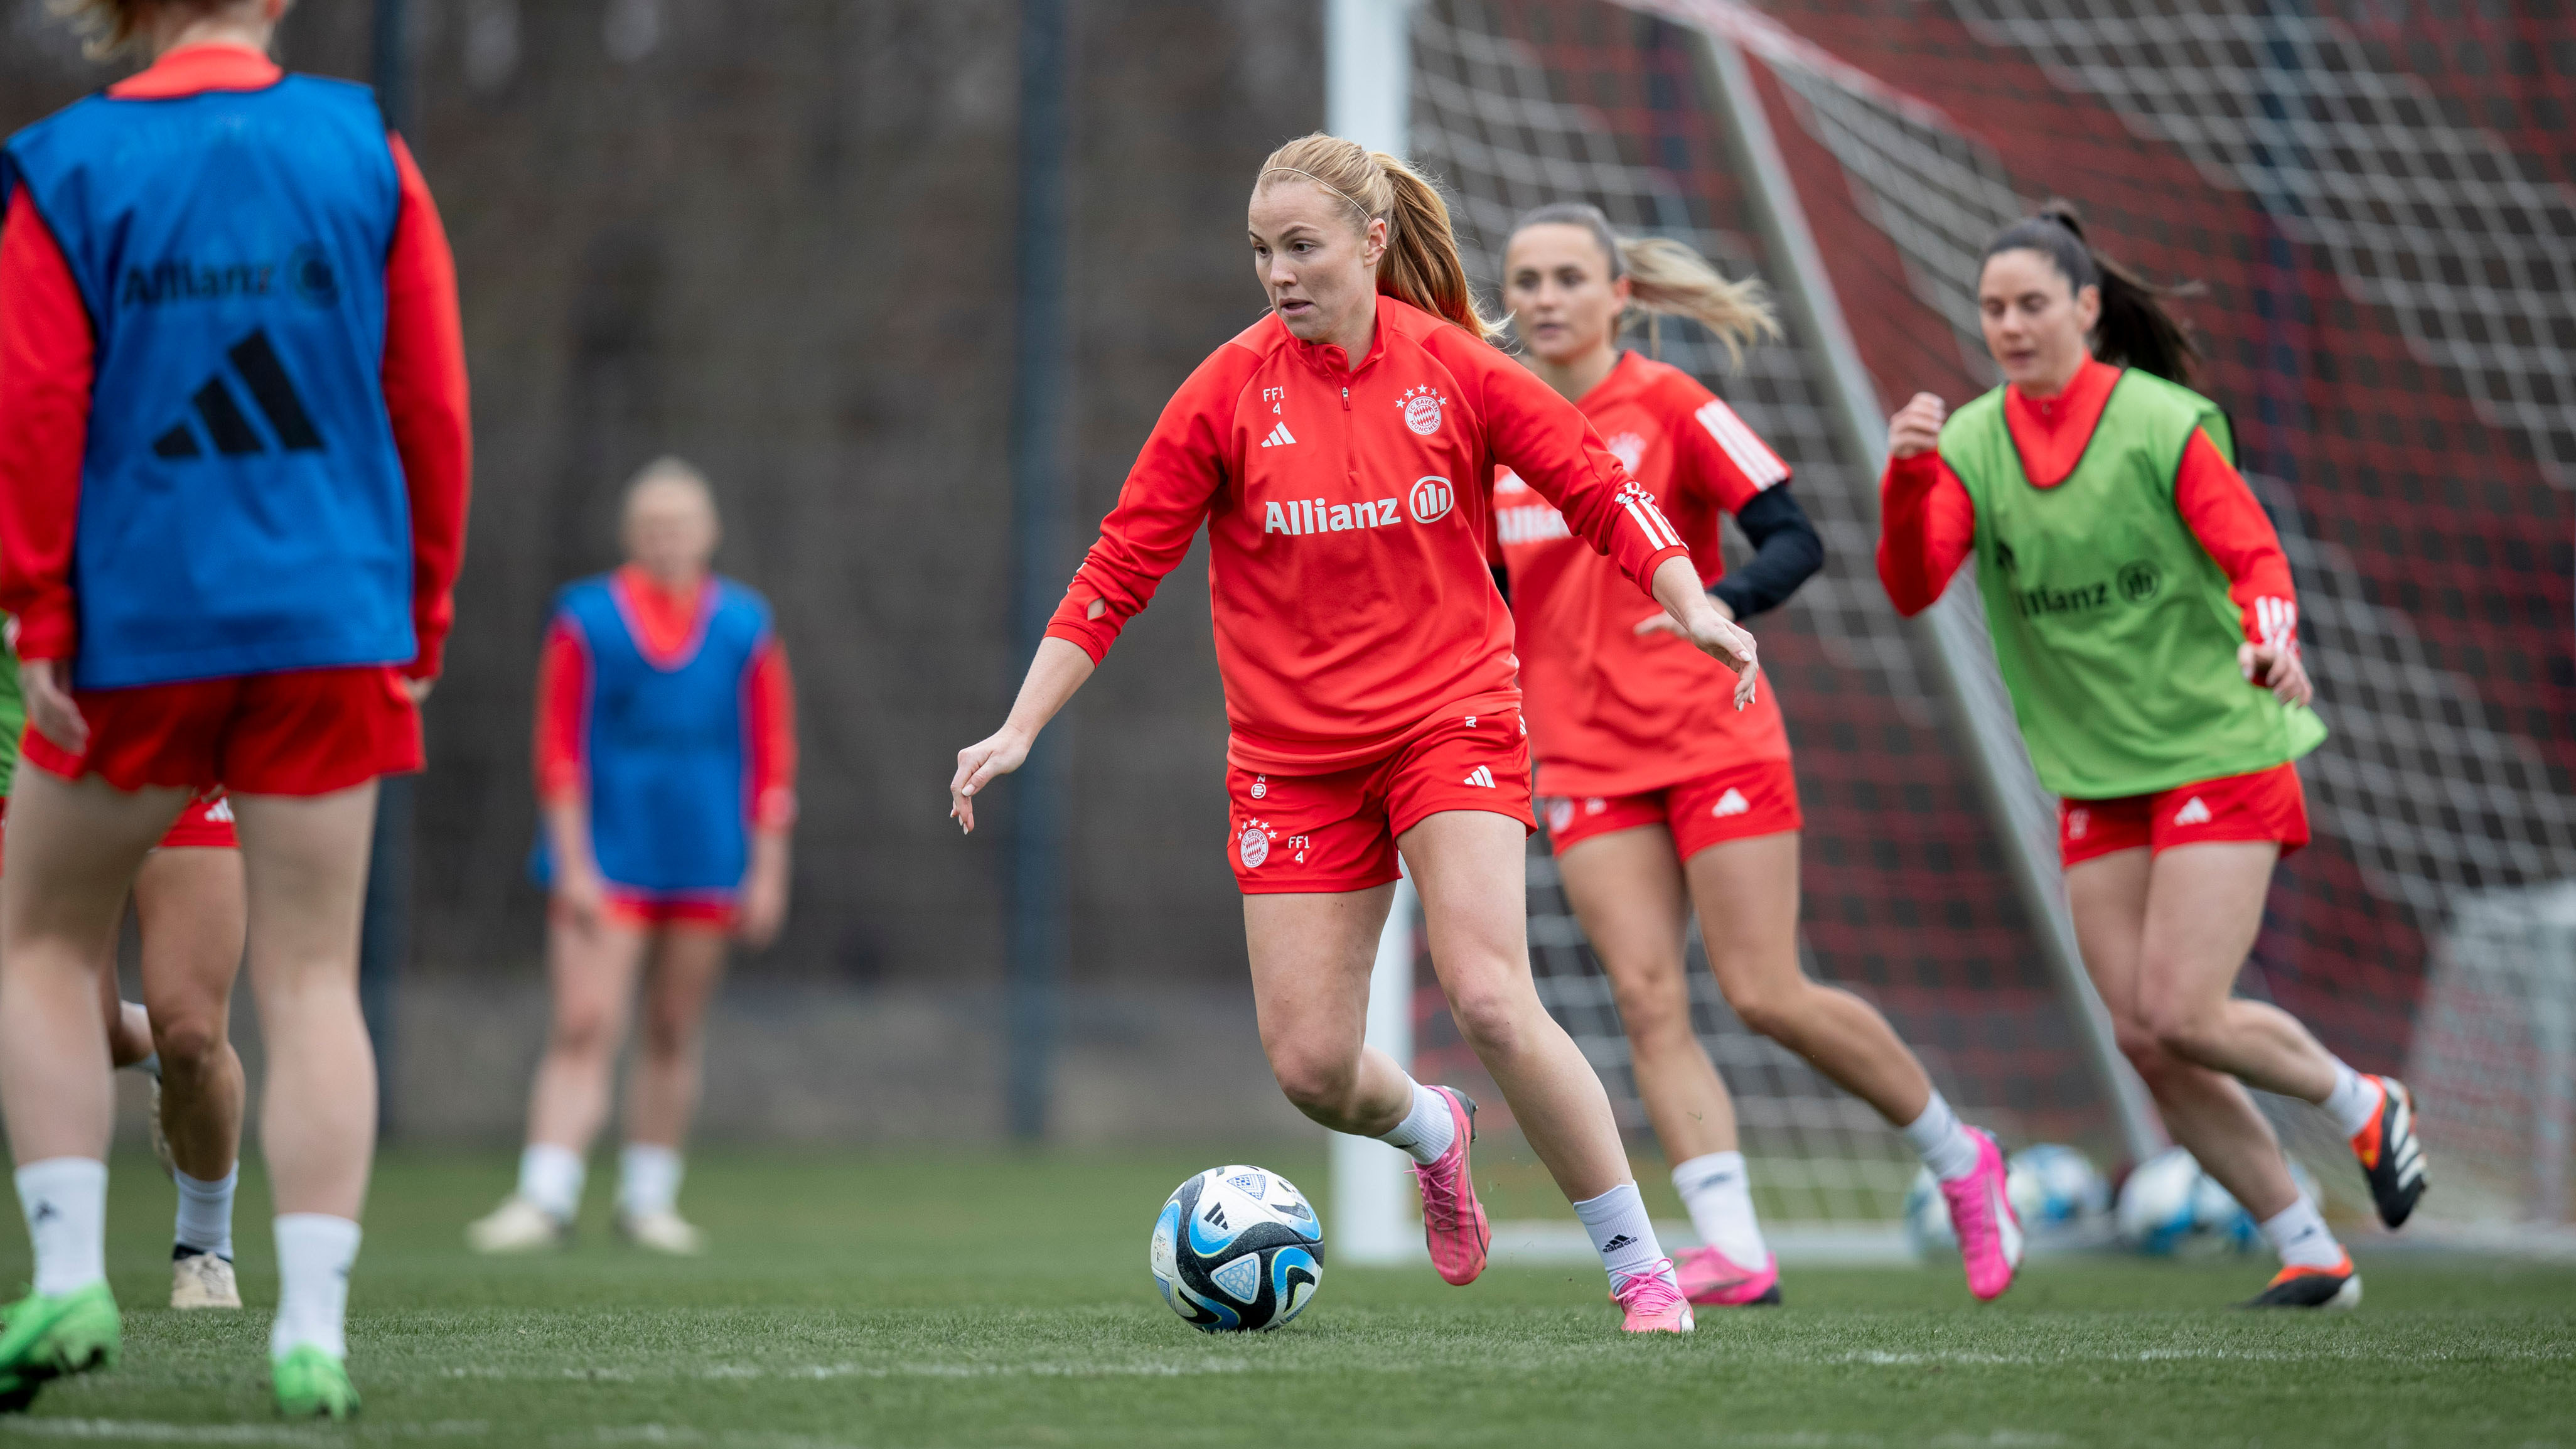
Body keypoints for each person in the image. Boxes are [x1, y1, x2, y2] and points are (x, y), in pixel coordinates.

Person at [951, 134, 1763, 1333]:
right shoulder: (1225, 389)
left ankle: (1640, 1264)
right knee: (1312, 1068)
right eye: (1260, 250)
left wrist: (1690, 600)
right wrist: (1020, 723)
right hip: (1289, 759)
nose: (1276, 273)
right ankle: (1437, 1131)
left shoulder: (1452, 367)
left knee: (1488, 994)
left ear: (1370, 242)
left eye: (1300, 246)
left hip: (1451, 718)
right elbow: (1120, 562)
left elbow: (1596, 480)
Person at [0, 0, 471, 1417]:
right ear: (274, 0)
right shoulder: (365, 148)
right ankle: (310, 1325)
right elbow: (430, 402)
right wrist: (425, 607)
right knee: (314, 979)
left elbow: (33, 404)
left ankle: (69, 1271)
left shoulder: (64, 162)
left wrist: (38, 609)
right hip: (328, 619)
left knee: (38, 945)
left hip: (143, 617)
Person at [1876, 204, 2424, 1310]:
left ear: (2084, 307)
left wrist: (2269, 642)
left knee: (2183, 1007)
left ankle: (2360, 1100)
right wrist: (1905, 479)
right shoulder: (1973, 440)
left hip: (2215, 744)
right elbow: (1910, 583)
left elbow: (2252, 556)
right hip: (2095, 774)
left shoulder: (2162, 421)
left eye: (2032, 304)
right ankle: (2309, 1246)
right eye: (1992, 309)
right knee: (2147, 1038)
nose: (2011, 326)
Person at [1495, 205, 2026, 1306]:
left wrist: (1716, 603)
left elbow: (1794, 535)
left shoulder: (1671, 404)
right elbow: (1493, 594)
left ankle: (1956, 1155)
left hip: (1707, 732)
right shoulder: (1504, 432)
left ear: (1618, 294)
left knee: (1763, 989)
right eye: (1526, 279)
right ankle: (1733, 1246)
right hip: (1583, 759)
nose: (1544, 297)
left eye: (1566, 277)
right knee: (1643, 999)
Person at [468, 460, 795, 1258]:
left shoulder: (746, 626)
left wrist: (767, 868)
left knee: (674, 1027)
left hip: (708, 855)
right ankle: (545, 1195)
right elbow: (558, 746)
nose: (667, 538)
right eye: (652, 524)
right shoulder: (586, 619)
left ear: (709, 532)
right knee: (584, 1022)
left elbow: (771, 755)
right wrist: (573, 860)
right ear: (630, 533)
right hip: (608, 854)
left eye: (681, 523)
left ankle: (649, 1199)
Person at [1, 624, 253, 1313]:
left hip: (181, 761)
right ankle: (138, 1046)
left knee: (195, 1034)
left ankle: (204, 1248)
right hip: (37, 772)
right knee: (86, 1030)